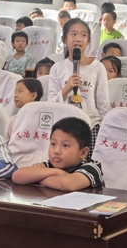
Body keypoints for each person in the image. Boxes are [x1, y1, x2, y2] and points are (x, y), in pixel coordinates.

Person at [48, 18, 109, 152]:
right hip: (63, 126)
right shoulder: (57, 68)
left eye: (83, 35)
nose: (78, 39)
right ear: (64, 39)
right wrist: (66, 88)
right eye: (73, 34)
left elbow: (103, 103)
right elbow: (51, 104)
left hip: (91, 126)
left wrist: (105, 131)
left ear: (88, 41)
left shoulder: (98, 67)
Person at [12, 117, 103, 191]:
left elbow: (68, 184)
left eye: (65, 145)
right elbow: (17, 176)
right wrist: (57, 172)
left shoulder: (92, 167)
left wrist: (35, 177)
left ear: (83, 153)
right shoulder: (50, 165)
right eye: (53, 144)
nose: (56, 151)